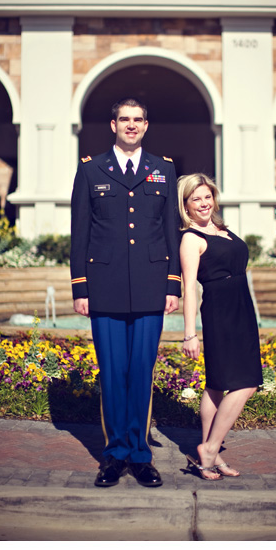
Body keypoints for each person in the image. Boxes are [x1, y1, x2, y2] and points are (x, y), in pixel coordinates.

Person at [70, 97, 181, 488]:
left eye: (138, 120)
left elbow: (170, 229)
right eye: (124, 119)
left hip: (152, 287)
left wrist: (173, 283)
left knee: (141, 373)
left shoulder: (163, 169)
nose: (131, 125)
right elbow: (80, 232)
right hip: (104, 287)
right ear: (113, 124)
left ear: (146, 126)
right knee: (113, 374)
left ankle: (141, 456)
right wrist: (80, 287)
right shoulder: (90, 170)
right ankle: (114, 455)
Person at [177, 173, 262, 481]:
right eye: (195, 199)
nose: (203, 203)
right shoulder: (191, 238)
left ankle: (208, 458)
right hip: (220, 312)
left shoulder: (222, 229)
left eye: (207, 196)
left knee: (215, 384)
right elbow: (190, 290)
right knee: (247, 382)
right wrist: (190, 334)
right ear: (185, 206)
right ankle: (210, 449)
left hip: (242, 308)